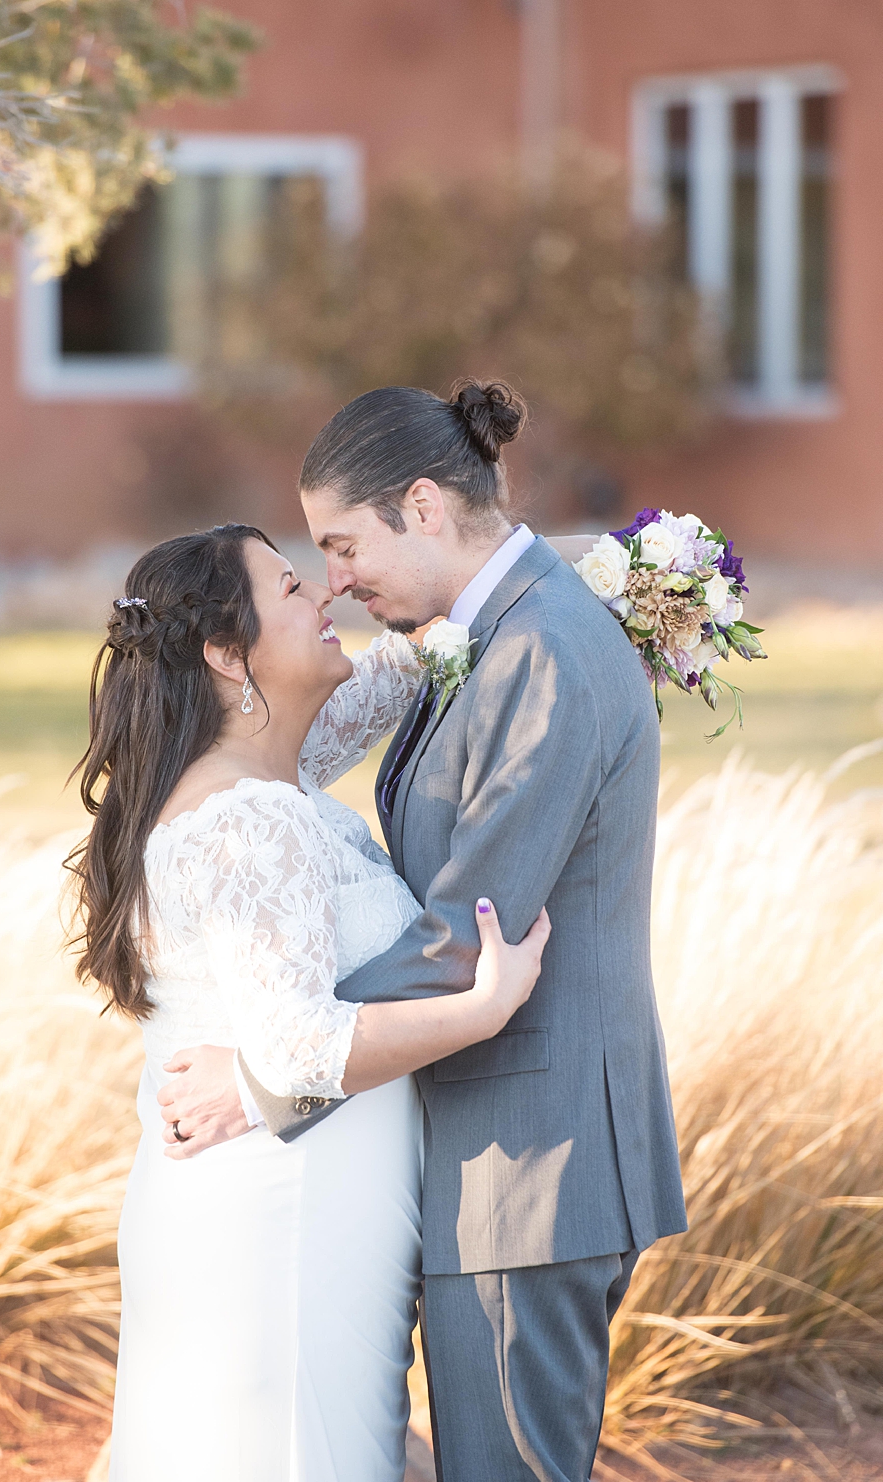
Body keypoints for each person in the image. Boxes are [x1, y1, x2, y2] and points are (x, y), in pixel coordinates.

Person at [145, 380, 686, 1479]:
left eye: (341, 546)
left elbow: (462, 938)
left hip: (530, 1170)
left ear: (425, 507)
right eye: (311, 565)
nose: (334, 582)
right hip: (482, 1164)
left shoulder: (534, 651)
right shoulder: (483, 637)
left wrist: (264, 1081)